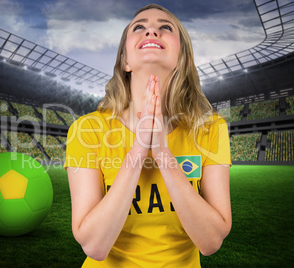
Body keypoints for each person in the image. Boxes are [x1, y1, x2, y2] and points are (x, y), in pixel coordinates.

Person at [64, 4, 232, 267]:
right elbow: (94, 246)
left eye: (166, 27)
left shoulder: (210, 128)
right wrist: (139, 150)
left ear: (183, 59)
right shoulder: (88, 130)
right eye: (139, 27)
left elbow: (211, 243)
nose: (152, 30)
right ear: (125, 61)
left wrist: (163, 154)